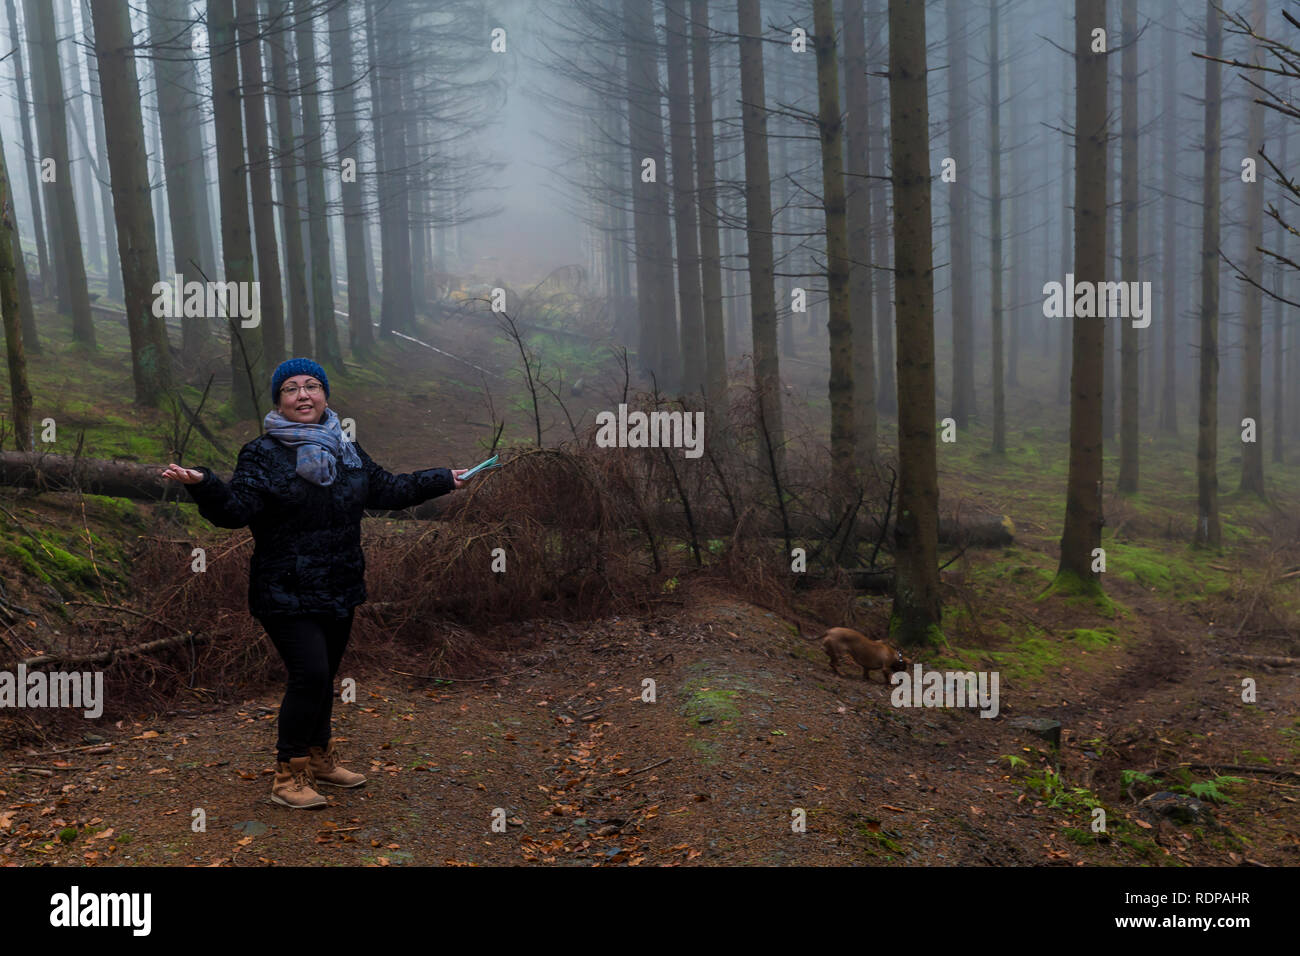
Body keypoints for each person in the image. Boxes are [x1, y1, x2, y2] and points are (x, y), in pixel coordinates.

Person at [161, 358, 466, 809]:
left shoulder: (346, 447)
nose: (303, 395)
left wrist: (443, 479)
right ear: (279, 401)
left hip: (339, 584)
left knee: (325, 679)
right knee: (311, 674)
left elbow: (387, 490)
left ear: (325, 395)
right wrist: (205, 484)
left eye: (311, 386)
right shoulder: (261, 453)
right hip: (283, 588)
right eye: (290, 389)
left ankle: (321, 758)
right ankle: (289, 775)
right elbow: (235, 511)